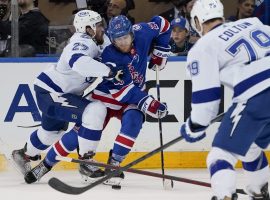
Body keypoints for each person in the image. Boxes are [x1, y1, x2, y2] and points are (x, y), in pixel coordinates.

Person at [23, 15, 171, 186]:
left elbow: (163, 24)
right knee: (77, 134)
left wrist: (161, 50)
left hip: (133, 95)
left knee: (133, 122)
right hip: (109, 95)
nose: (122, 42)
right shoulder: (109, 52)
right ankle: (46, 164)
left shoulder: (142, 32)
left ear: (132, 33)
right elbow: (122, 92)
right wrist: (150, 103)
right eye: (117, 39)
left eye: (125, 37)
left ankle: (113, 165)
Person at [11, 9, 123, 179]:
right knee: (95, 110)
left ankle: (23, 154)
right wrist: (109, 71)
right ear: (88, 29)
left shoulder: (101, 39)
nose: (103, 28)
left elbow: (119, 50)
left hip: (57, 93)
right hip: (51, 92)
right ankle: (87, 162)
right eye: (98, 25)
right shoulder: (81, 42)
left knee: (51, 134)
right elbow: (79, 62)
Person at [179, 0, 270, 199]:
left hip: (257, 93)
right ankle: (260, 189)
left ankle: (224, 196)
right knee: (251, 146)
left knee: (220, 156)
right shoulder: (254, 23)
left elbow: (207, 97)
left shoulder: (203, 46)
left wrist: (195, 126)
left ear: (196, 21)